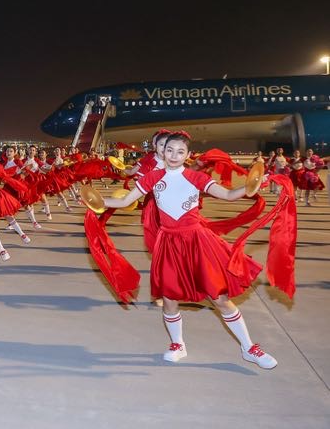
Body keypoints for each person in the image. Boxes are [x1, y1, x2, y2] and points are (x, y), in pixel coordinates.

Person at [100, 131, 279, 369]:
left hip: (197, 241)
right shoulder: (152, 177)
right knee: (169, 299)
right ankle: (178, 344)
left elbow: (227, 195)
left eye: (180, 151)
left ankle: (249, 348)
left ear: (187, 155)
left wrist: (251, 186)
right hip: (168, 243)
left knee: (219, 297)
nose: (174, 155)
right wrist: (97, 201)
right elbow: (124, 201)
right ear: (162, 152)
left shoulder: (196, 177)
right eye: (170, 150)